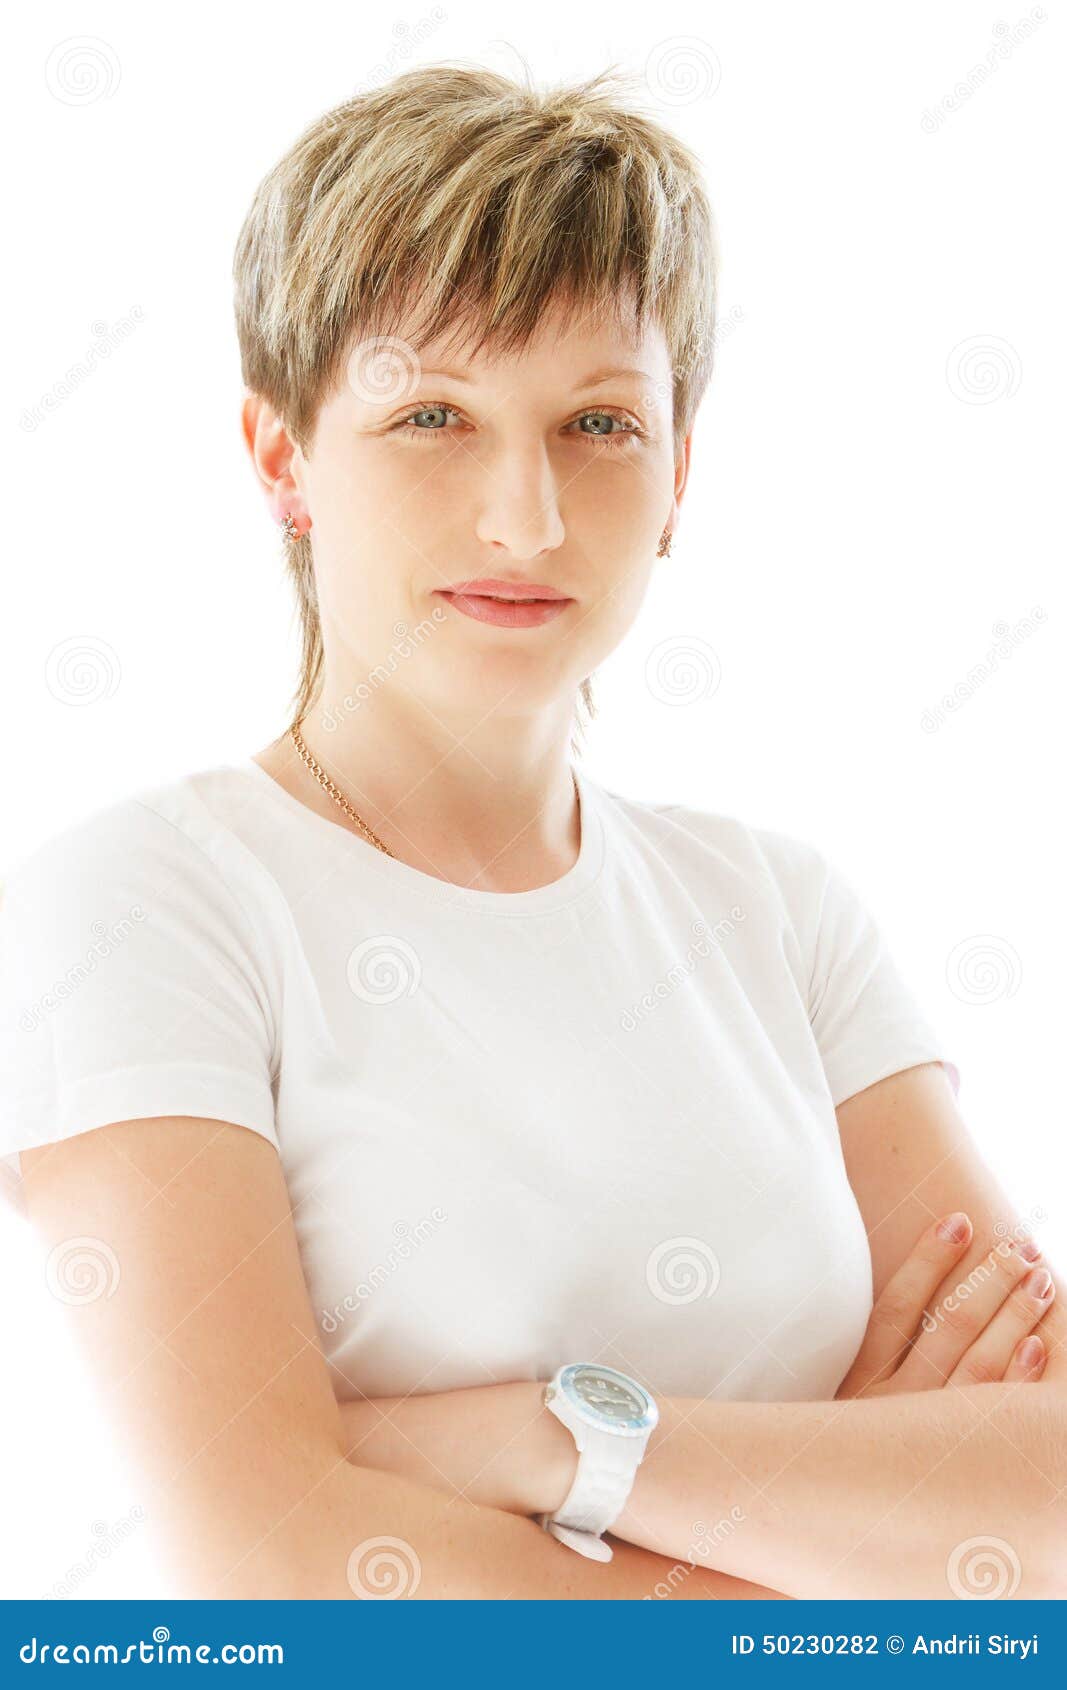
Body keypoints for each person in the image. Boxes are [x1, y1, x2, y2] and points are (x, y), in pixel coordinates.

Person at [1, 63, 1062, 1602]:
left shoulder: (777, 907)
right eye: (432, 413)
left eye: (600, 425)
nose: (527, 514)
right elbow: (271, 1561)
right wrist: (836, 1552)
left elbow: (1043, 1488)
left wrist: (556, 1439)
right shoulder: (146, 901)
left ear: (680, 472)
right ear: (283, 457)